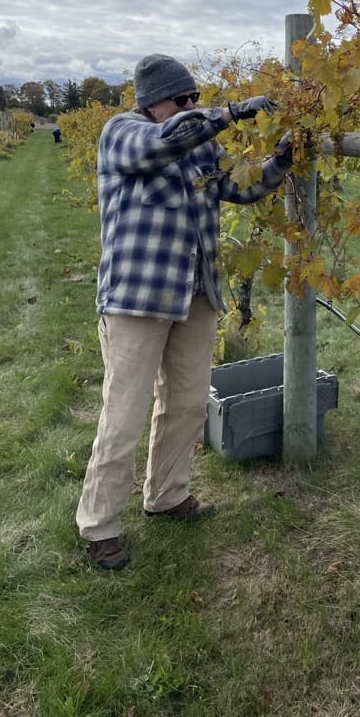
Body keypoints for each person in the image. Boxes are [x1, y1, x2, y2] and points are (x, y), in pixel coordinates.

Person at [76, 53, 291, 570]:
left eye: (197, 98)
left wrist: (284, 158)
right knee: (124, 414)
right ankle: (99, 525)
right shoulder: (123, 133)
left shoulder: (200, 146)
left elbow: (240, 188)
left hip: (196, 295)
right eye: (183, 100)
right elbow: (167, 142)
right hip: (138, 299)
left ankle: (167, 495)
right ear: (153, 102)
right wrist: (231, 111)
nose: (193, 107)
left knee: (188, 403)